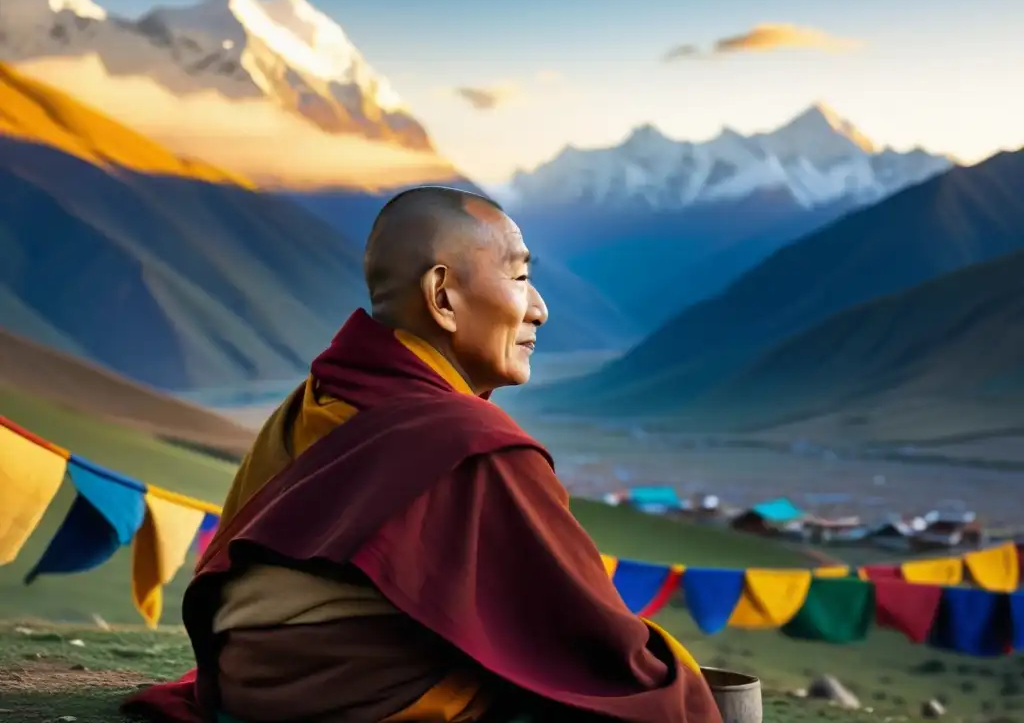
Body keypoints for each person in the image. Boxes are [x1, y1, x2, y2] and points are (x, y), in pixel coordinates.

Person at [123, 187, 722, 723]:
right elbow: (594, 640)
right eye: (518, 278)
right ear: (442, 296)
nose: (539, 308)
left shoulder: (316, 399)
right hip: (361, 697)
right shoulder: (471, 442)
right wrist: (683, 682)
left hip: (249, 683)